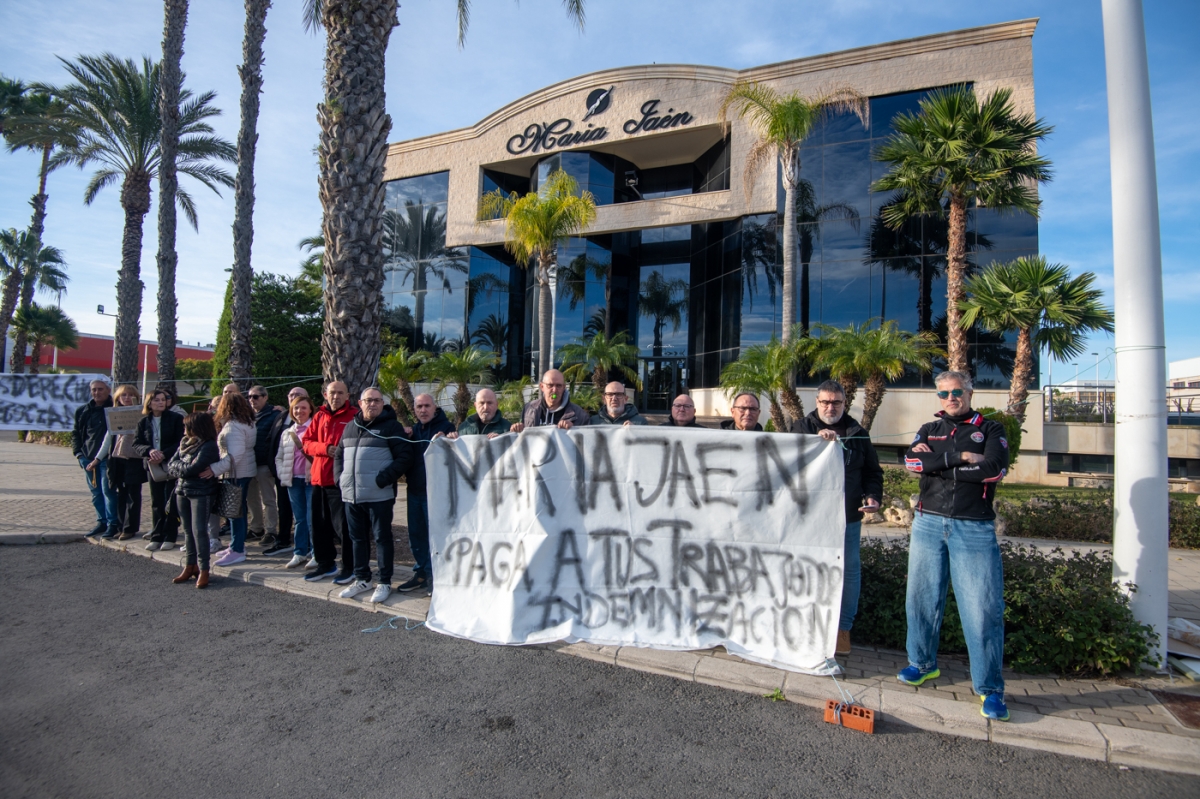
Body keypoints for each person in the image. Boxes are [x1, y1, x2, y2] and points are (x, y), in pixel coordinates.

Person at [900, 370, 1011, 722]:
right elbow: (912, 462)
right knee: (921, 597)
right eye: (944, 393)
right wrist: (962, 458)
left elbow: (993, 469)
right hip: (928, 523)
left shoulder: (991, 430)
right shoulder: (929, 430)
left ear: (970, 391)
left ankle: (990, 689)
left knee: (981, 608)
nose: (951, 397)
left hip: (973, 528)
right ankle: (922, 663)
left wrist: (937, 463)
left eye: (958, 391)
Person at [792, 380, 883, 656]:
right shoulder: (800, 429)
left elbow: (872, 472)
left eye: (836, 402)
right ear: (816, 403)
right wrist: (816, 442)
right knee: (806, 569)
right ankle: (804, 625)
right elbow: (786, 465)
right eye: (825, 402)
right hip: (808, 517)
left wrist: (872, 496)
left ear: (845, 404)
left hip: (847, 517)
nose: (830, 407)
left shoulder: (858, 432)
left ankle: (843, 630)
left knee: (850, 573)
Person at [334, 387, 416, 603]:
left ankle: (385, 581)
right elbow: (339, 455)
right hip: (352, 495)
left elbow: (405, 457)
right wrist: (339, 480)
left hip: (379, 496)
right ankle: (362, 578)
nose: (373, 404)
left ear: (382, 403)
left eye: (377, 401)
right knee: (356, 538)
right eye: (368, 400)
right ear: (360, 403)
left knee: (382, 538)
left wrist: (382, 479)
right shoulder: (351, 427)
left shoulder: (391, 427)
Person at [396, 393, 455, 594]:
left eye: (427, 406)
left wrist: (450, 439)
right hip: (414, 492)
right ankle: (421, 573)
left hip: (437, 495)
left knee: (436, 537)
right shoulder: (412, 431)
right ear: (414, 409)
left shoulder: (447, 428)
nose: (423, 410)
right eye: (419, 406)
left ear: (435, 407)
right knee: (416, 536)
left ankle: (435, 577)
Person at [301, 381, 358, 584]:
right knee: (319, 526)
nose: (336, 396)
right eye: (332, 393)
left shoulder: (354, 416)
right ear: (326, 394)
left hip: (341, 481)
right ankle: (326, 564)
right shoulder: (319, 415)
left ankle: (349, 567)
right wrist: (325, 449)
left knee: (343, 527)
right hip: (319, 480)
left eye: (340, 393)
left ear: (347, 395)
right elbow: (306, 443)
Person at [166, 412, 222, 589]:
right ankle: (190, 566)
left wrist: (181, 469)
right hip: (182, 490)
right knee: (188, 530)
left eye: (187, 426)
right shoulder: (185, 444)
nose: (184, 430)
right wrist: (183, 469)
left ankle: (204, 569)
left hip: (202, 491)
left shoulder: (209, 445)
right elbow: (171, 464)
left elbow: (194, 468)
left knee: (200, 531)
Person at [206, 391, 257, 566]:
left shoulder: (233, 426)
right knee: (238, 511)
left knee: (236, 513)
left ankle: (237, 549)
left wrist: (213, 469)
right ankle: (236, 546)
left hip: (236, 473)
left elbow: (235, 456)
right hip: (242, 471)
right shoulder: (246, 422)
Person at [91, 385, 147, 542]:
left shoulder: (142, 414)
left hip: (135, 459)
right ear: (118, 399)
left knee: (133, 495)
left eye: (130, 395)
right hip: (117, 459)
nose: (127, 398)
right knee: (121, 493)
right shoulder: (114, 415)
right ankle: (120, 526)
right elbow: (107, 439)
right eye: (124, 395)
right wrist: (97, 459)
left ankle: (130, 528)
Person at [132, 388, 185, 548]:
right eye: (157, 400)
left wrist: (164, 453)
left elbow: (181, 441)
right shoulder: (143, 422)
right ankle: (157, 535)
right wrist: (150, 451)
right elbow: (136, 443)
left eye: (163, 399)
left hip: (171, 464)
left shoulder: (176, 418)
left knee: (171, 501)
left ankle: (170, 536)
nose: (161, 402)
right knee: (157, 501)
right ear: (149, 403)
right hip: (153, 467)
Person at [262, 386, 310, 556]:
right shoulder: (281, 418)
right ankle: (289, 544)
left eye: (299, 396)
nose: (294, 398)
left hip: (308, 478)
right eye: (291, 396)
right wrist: (279, 471)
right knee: (288, 511)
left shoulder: (315, 424)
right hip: (286, 475)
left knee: (309, 516)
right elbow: (273, 446)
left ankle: (312, 550)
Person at [73, 379, 118, 537]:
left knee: (108, 491)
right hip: (87, 458)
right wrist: (79, 454)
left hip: (108, 459)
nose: (97, 392)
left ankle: (113, 524)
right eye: (94, 390)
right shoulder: (83, 411)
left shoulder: (115, 409)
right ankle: (102, 522)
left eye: (100, 389)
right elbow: (76, 434)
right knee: (96, 493)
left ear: (108, 390)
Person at [275, 395, 316, 569]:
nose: (300, 411)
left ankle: (316, 553)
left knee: (311, 518)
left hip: (310, 481)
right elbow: (280, 456)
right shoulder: (287, 432)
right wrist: (282, 473)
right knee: (299, 519)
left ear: (310, 410)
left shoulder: (315, 428)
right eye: (296, 408)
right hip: (293, 481)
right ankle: (299, 552)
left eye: (303, 408)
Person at [245, 385, 281, 548]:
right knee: (251, 499)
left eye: (256, 396)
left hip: (264, 463)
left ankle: (271, 530)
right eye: (250, 397)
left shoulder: (275, 414)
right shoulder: (246, 416)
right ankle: (256, 527)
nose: (252, 400)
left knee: (269, 499)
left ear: (265, 397)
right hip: (248, 463)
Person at [510, 369, 589, 432]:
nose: (554, 390)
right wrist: (516, 429)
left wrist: (573, 430)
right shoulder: (529, 409)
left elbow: (586, 443)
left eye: (558, 385)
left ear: (564, 387)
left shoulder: (579, 414)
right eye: (550, 385)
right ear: (542, 386)